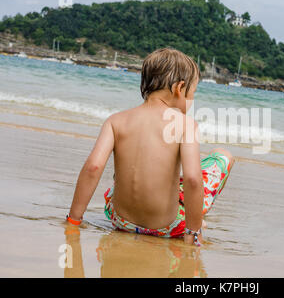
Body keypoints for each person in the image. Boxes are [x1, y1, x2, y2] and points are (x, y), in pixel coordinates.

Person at [67, 48, 235, 246]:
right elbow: (192, 179)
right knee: (222, 156)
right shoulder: (185, 125)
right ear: (179, 88)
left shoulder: (116, 121)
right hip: (168, 227)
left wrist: (74, 220)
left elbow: (93, 167)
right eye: (193, 93)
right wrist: (193, 231)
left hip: (121, 221)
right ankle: (195, 223)